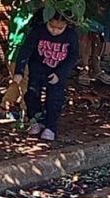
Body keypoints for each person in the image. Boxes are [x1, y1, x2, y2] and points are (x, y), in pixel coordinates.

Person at [13, 11, 79, 141]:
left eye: (59, 28)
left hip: (57, 73)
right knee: (32, 95)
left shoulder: (70, 35)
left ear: (67, 24)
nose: (54, 31)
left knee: (54, 100)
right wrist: (19, 71)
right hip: (37, 70)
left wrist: (60, 73)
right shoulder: (38, 31)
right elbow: (26, 50)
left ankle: (50, 127)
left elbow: (73, 56)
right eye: (51, 26)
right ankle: (35, 121)